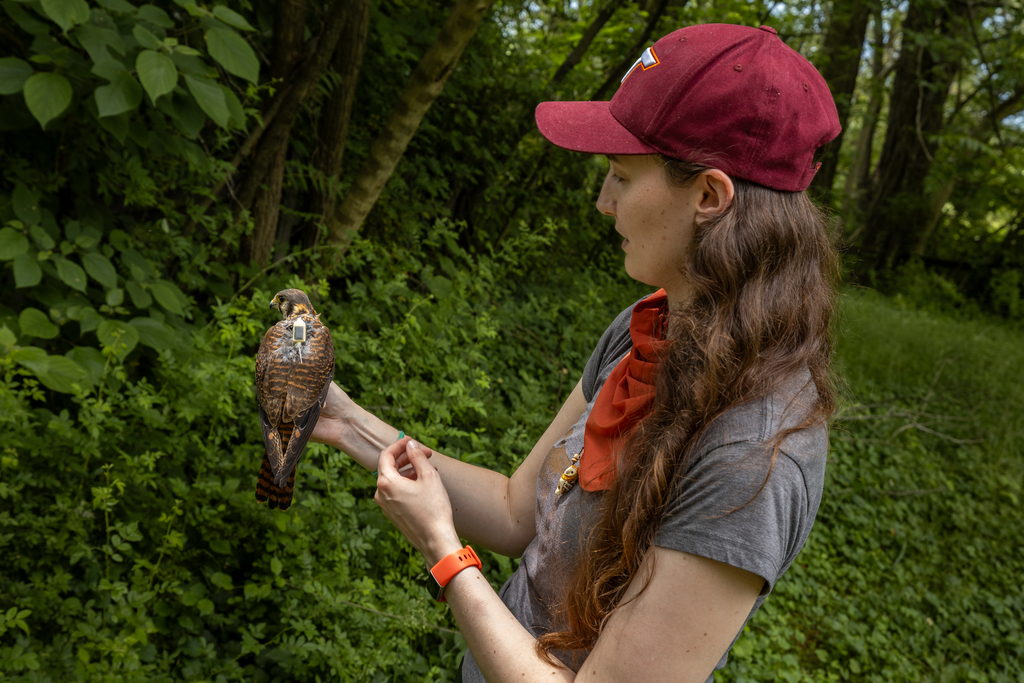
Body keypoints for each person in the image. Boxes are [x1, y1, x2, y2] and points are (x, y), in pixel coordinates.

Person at [311, 22, 841, 683]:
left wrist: (444, 550)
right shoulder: (642, 329)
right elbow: (514, 508)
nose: (602, 200)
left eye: (620, 176)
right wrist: (344, 422)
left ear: (709, 196)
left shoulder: (753, 457)